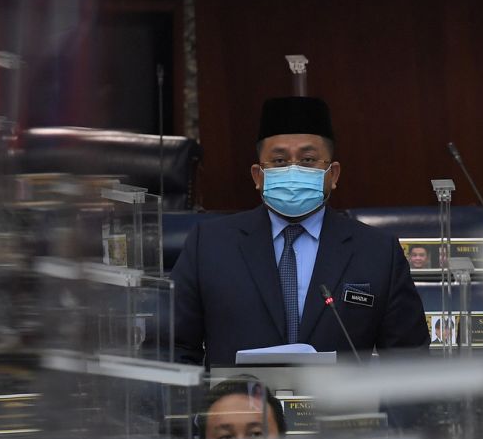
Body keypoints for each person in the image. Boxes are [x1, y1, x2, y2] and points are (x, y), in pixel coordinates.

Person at [171, 96, 429, 367]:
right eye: (280, 161)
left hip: (342, 409)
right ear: (258, 176)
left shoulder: (377, 252)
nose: (293, 170)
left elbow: (409, 362)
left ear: (334, 174)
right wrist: (211, 406)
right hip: (238, 407)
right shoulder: (210, 245)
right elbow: (172, 347)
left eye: (308, 160)